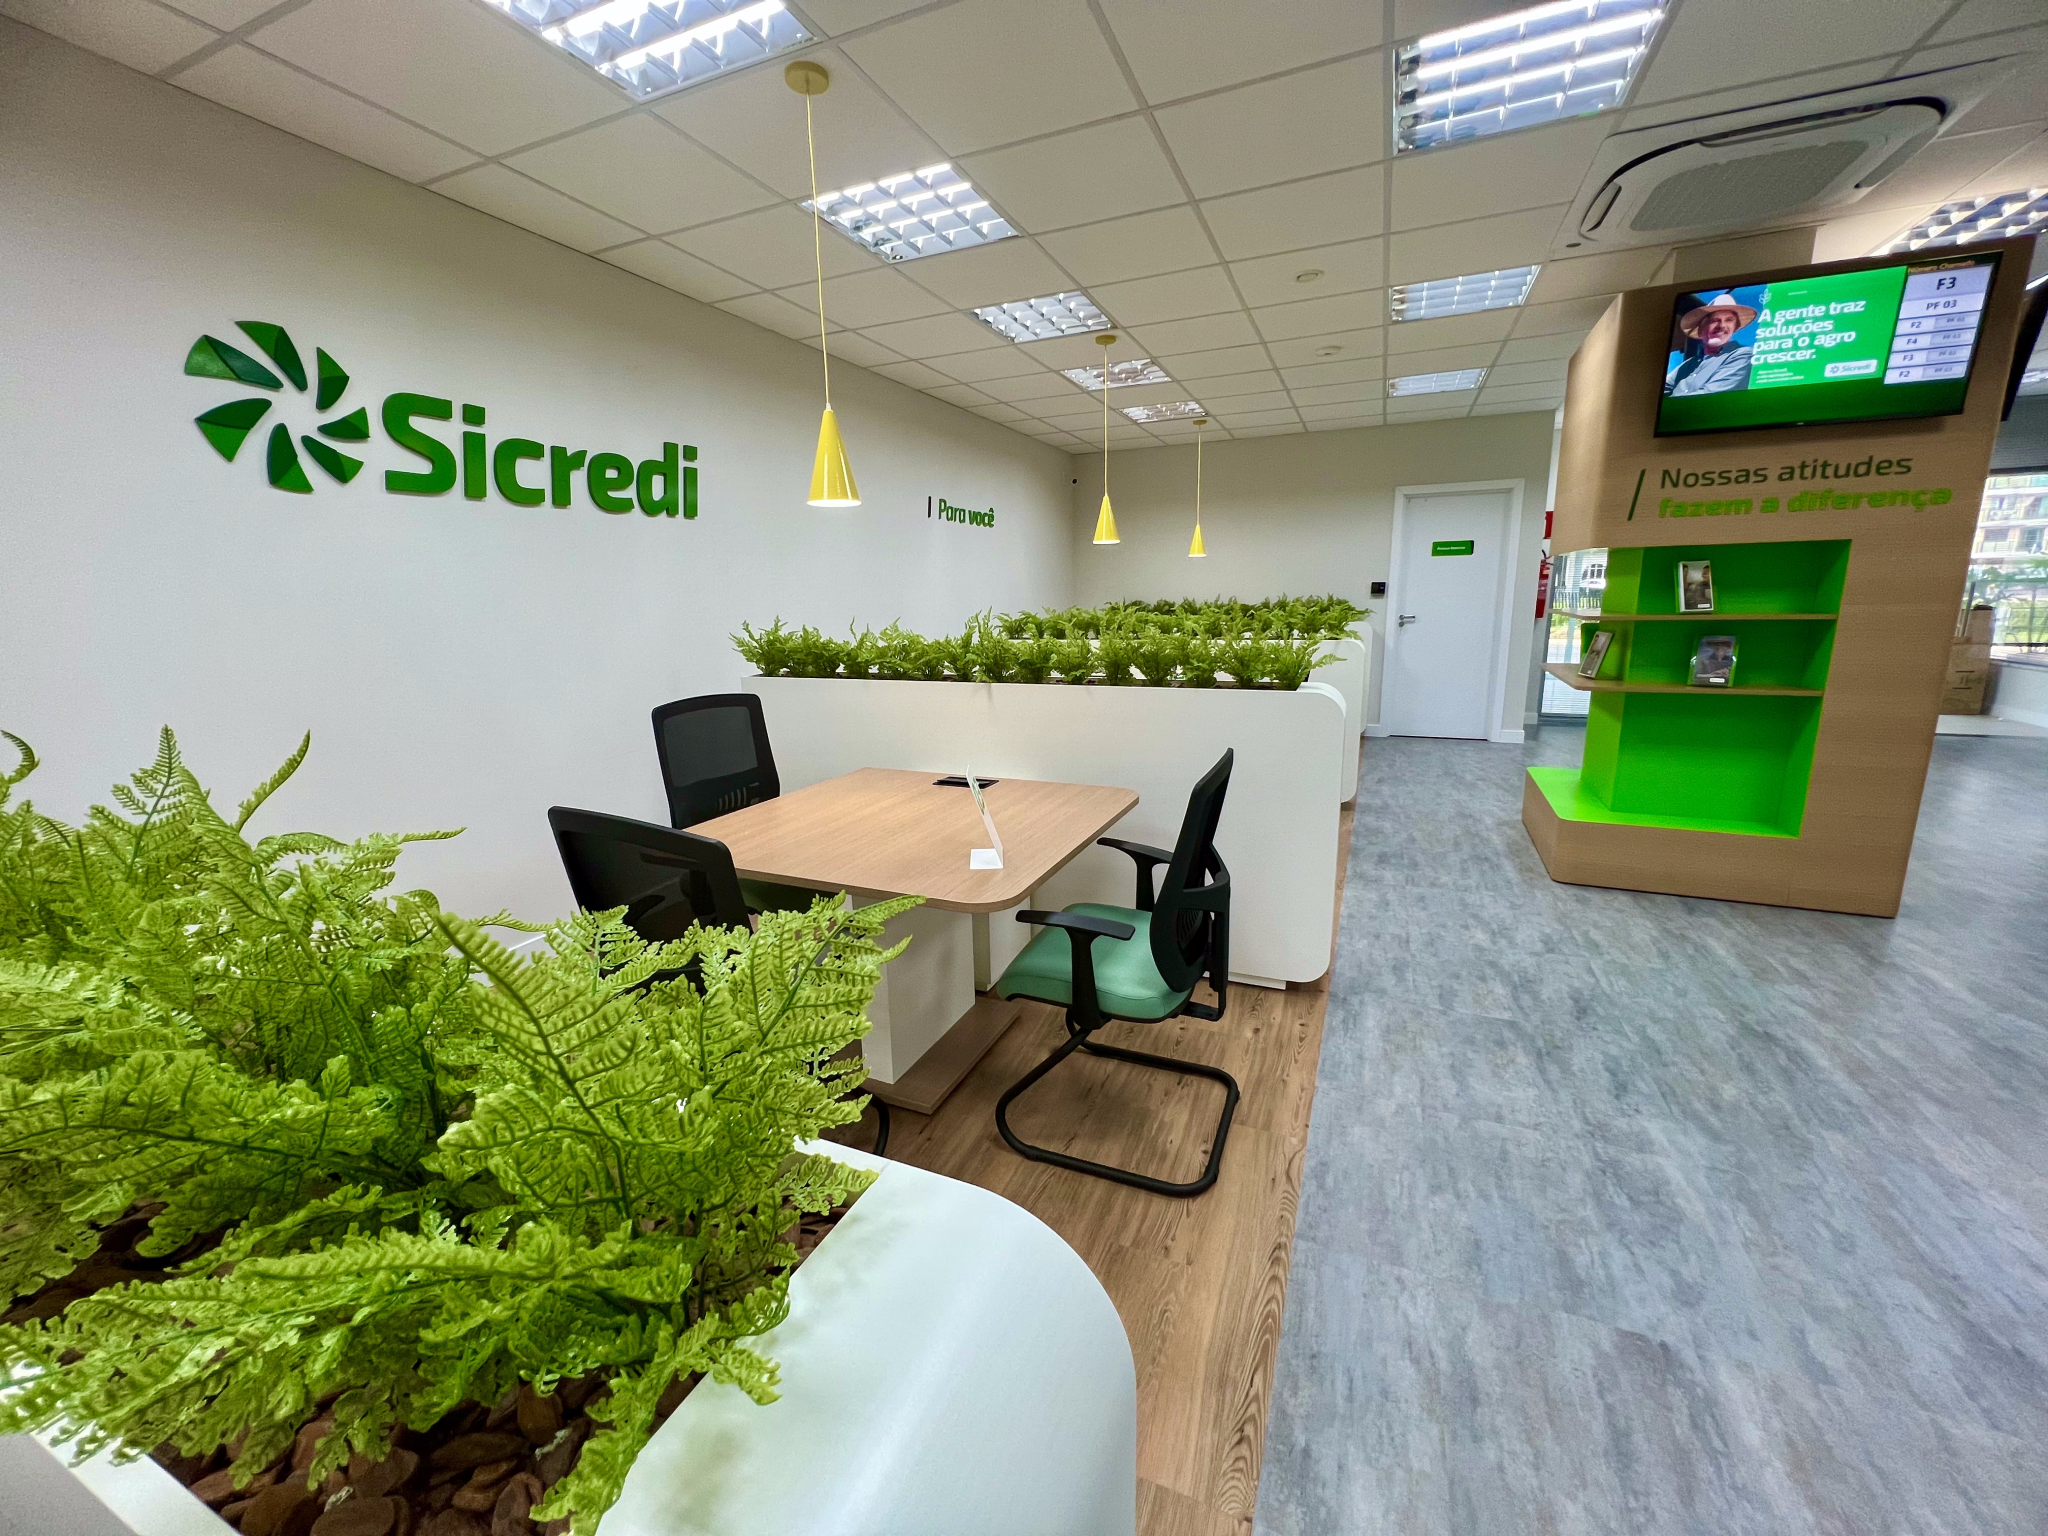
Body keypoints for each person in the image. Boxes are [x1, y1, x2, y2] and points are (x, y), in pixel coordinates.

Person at [1664, 291, 1758, 396]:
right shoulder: (1688, 364)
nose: (1722, 326)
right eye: (1714, 320)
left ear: (1734, 328)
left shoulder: (1741, 355)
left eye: (1729, 320)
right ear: (1701, 329)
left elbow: (1708, 396)